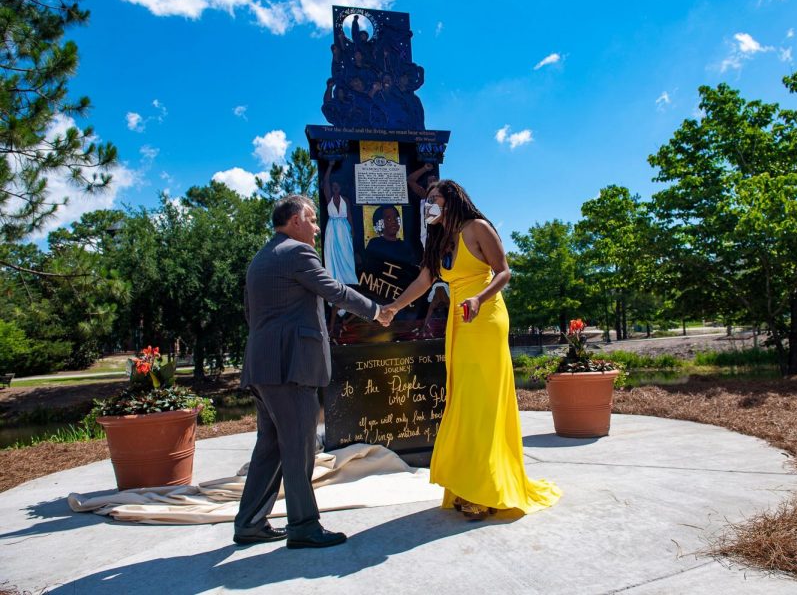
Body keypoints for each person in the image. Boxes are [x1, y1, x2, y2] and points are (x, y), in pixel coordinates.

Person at [382, 180, 561, 519]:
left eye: (432, 199)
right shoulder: (438, 239)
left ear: (450, 200)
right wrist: (393, 307)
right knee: (464, 401)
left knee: (484, 402)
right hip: (459, 321)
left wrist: (479, 298)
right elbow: (423, 282)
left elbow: (504, 271)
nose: (428, 206)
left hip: (486, 315)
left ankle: (487, 489)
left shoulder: (477, 228)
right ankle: (469, 484)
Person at [234, 195, 393, 549]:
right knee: (299, 447)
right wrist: (377, 311)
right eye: (311, 218)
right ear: (293, 221)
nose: (317, 226)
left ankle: (249, 524)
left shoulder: (261, 258)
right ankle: (303, 526)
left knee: (271, 446)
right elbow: (334, 290)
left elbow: (252, 313)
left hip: (263, 365)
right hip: (291, 367)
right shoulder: (297, 252)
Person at [322, 159, 357, 285]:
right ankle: (334, 283)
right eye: (333, 186)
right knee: (332, 256)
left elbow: (350, 216)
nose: (335, 188)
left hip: (344, 228)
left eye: (337, 186)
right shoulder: (329, 198)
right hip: (332, 228)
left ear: (340, 187)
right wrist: (330, 166)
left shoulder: (345, 200)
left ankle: (349, 283)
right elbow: (325, 181)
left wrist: (352, 229)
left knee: (346, 255)